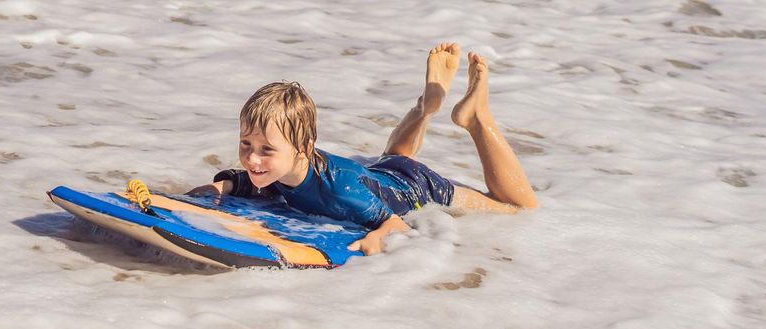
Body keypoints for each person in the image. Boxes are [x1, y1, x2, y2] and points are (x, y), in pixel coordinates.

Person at [186, 43, 538, 256]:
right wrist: (225, 185)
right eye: (246, 144)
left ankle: (477, 118)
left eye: (265, 150)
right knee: (395, 157)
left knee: (518, 207)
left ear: (304, 148)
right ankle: (426, 106)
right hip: (382, 172)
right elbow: (253, 180)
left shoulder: (341, 191)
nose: (252, 159)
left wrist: (379, 238)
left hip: (420, 188)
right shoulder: (278, 168)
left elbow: (396, 224)